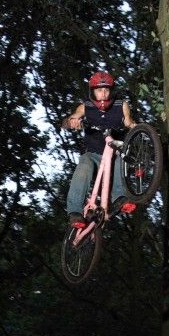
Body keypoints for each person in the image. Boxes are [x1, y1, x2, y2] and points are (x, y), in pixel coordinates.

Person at [62, 71, 136, 227]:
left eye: (106, 90)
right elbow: (73, 117)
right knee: (84, 166)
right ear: (93, 91)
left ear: (111, 91)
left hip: (114, 153)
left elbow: (129, 122)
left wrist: (140, 129)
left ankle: (119, 199)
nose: (103, 94)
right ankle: (75, 212)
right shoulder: (86, 107)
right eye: (99, 90)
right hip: (93, 155)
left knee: (120, 160)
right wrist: (72, 120)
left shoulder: (121, 105)